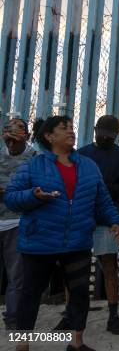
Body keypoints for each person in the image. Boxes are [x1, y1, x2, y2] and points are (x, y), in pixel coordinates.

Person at [4, 116, 119, 351]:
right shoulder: (33, 165)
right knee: (30, 296)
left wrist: (115, 221)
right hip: (39, 242)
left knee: (79, 294)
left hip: (77, 242)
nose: (71, 131)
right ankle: (22, 346)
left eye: (71, 127)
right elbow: (11, 198)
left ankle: (76, 343)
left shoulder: (88, 166)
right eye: (63, 128)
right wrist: (33, 196)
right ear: (49, 136)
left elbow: (102, 200)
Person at [76, 115, 119, 334]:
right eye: (102, 134)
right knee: (74, 267)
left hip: (106, 218)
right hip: (81, 217)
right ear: (95, 129)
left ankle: (113, 315)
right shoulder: (82, 154)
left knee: (109, 266)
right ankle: (71, 315)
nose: (105, 138)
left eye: (110, 136)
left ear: (117, 134)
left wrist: (97, 188)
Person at [0, 118, 36, 330]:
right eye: (8, 140)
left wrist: (15, 195)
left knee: (17, 276)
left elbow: (39, 188)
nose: (11, 145)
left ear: (26, 137)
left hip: (17, 222)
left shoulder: (33, 158)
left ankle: (13, 319)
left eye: (15, 140)